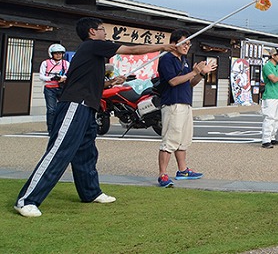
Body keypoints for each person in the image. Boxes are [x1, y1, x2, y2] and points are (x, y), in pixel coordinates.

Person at [14, 17, 175, 217]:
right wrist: (165, 46)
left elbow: (90, 84)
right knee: (59, 151)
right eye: (101, 29)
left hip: (88, 107)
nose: (105, 33)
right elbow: (132, 50)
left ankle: (90, 192)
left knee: (86, 153)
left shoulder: (92, 55)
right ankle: (26, 200)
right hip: (75, 105)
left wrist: (113, 82)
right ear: (92, 32)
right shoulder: (92, 46)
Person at [156, 29, 217, 188]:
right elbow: (173, 81)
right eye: (184, 43)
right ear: (174, 43)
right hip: (173, 103)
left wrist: (201, 74)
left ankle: (182, 170)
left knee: (183, 140)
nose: (187, 47)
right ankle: (162, 174)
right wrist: (194, 71)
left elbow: (190, 83)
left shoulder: (184, 59)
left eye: (189, 44)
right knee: (170, 140)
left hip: (185, 102)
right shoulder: (166, 59)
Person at [39, 44, 70, 133]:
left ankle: (62, 128)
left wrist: (63, 78)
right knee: (51, 109)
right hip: (49, 88)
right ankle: (51, 129)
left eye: (60, 53)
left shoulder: (66, 63)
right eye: (56, 53)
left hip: (61, 88)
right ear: (51, 54)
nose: (58, 55)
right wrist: (51, 78)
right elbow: (41, 76)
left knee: (63, 108)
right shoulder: (45, 63)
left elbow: (68, 74)